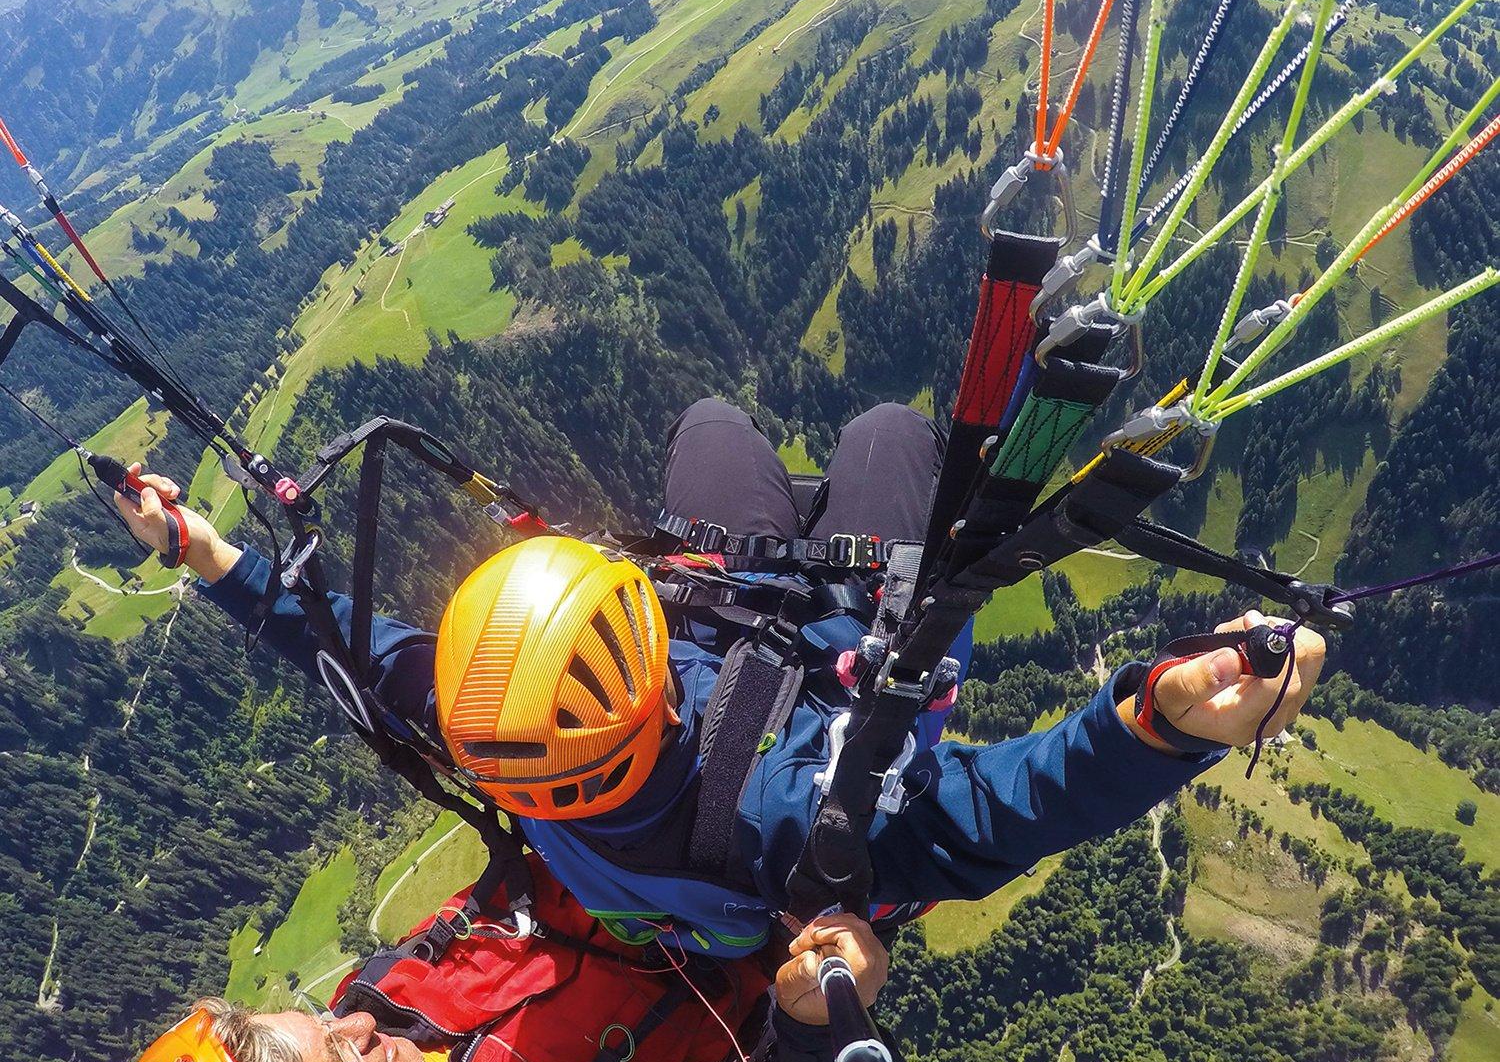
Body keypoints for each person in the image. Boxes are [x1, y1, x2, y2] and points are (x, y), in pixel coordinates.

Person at [116, 398, 1326, 957]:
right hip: (849, 669)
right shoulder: (790, 823)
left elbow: (351, 645)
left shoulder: (495, 724)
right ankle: (874, 491)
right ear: (652, 684)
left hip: (740, 625)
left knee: (710, 430)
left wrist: (208, 555)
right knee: (890, 440)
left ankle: (799, 517)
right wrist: (1157, 726)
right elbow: (996, 813)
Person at [123, 854, 891, 1062]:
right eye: (343, 1058)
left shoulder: (385, 996)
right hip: (793, 957)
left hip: (688, 852)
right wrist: (811, 1025)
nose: (358, 1020)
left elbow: (519, 882)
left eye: (325, 1018)